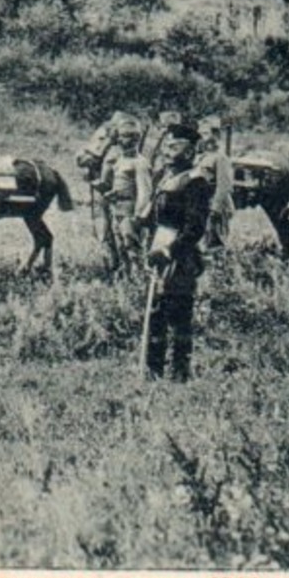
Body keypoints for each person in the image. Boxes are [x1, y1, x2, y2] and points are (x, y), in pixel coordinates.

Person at [142, 120, 215, 383]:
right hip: (158, 250)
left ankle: (180, 375)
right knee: (155, 314)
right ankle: (153, 371)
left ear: (190, 151)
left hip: (181, 257)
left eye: (176, 146)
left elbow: (194, 228)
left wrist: (170, 251)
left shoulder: (196, 182)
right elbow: (155, 217)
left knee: (179, 315)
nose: (169, 150)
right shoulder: (164, 178)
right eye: (168, 145)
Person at [96, 115, 152, 278]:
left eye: (127, 137)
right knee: (121, 247)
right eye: (121, 136)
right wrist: (111, 193)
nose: (122, 140)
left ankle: (140, 279)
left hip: (130, 211)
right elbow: (119, 185)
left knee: (133, 247)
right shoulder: (120, 160)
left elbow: (144, 192)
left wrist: (139, 216)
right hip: (117, 210)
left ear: (136, 139)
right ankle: (127, 279)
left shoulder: (140, 163)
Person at [196, 116, 234, 251]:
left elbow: (224, 186)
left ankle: (221, 269)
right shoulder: (201, 157)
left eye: (206, 133)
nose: (203, 137)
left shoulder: (221, 158)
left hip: (215, 205)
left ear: (216, 135)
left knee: (215, 242)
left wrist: (215, 209)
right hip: (202, 203)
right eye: (201, 134)